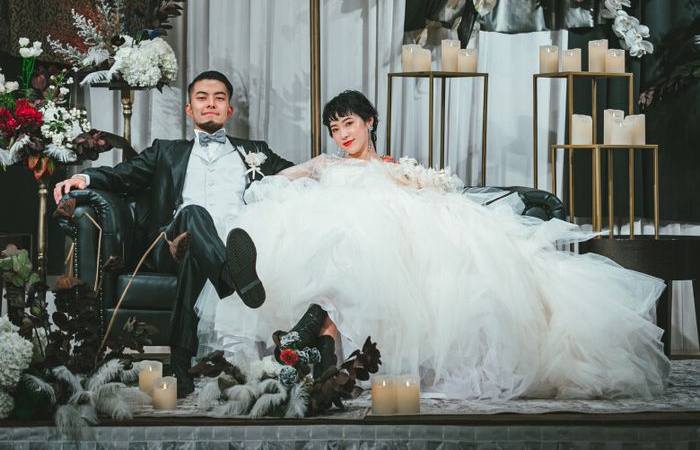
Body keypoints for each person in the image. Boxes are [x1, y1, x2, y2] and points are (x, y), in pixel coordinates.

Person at [195, 89, 670, 400]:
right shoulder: (325, 164)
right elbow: (278, 180)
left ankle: (313, 341)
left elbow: (428, 197)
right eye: (335, 128)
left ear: (370, 121)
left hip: (380, 237)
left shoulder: (394, 166)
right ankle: (316, 345)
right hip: (333, 234)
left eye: (349, 124)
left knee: (353, 247)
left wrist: (420, 189)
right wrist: (269, 182)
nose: (342, 135)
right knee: (325, 241)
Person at [53, 70, 293, 395]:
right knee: (194, 213)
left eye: (219, 98)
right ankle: (231, 276)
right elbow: (124, 175)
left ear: (229, 110)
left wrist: (346, 167)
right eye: (202, 98)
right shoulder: (166, 151)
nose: (211, 104)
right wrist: (86, 178)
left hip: (222, 245)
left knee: (194, 252)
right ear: (189, 109)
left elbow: (294, 173)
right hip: (167, 246)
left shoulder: (255, 151)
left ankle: (180, 364)